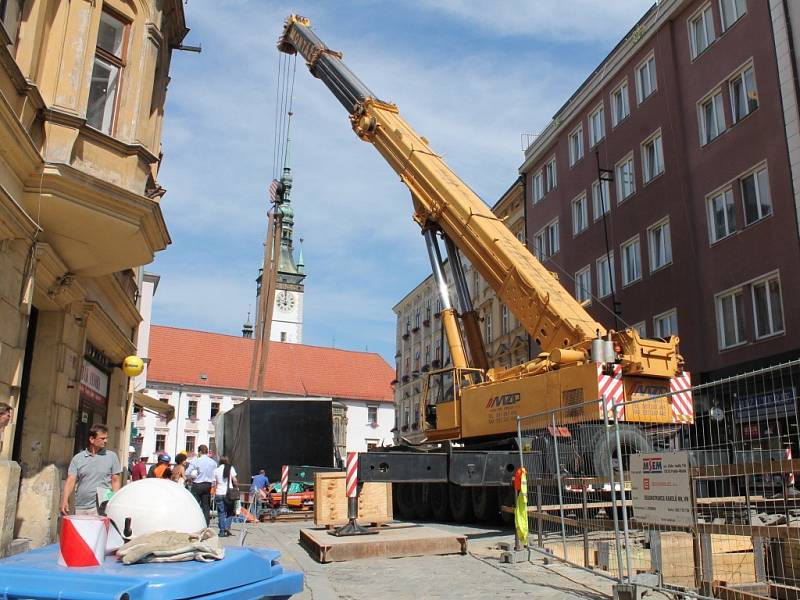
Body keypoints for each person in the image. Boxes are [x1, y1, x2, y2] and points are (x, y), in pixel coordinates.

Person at [61, 424, 121, 515]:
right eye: (102, 438)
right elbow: (70, 480)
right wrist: (65, 500)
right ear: (92, 439)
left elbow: (115, 480)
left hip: (102, 507)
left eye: (106, 438)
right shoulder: (78, 458)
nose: (106, 441)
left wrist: (114, 501)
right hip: (81, 506)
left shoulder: (112, 457)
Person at [186, 444, 217, 525]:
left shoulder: (196, 461)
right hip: (208, 485)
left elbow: (187, 472)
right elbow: (214, 475)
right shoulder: (213, 462)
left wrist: (190, 478)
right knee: (206, 507)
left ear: (199, 452)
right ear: (207, 452)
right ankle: (206, 525)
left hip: (197, 484)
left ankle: (194, 523)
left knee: (195, 505)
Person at [213, 456, 237, 537]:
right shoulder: (231, 468)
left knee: (221, 513)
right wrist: (236, 487)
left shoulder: (216, 470)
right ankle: (227, 526)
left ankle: (222, 531)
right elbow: (235, 480)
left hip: (219, 493)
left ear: (219, 462)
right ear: (227, 461)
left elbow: (214, 483)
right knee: (230, 511)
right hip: (228, 493)